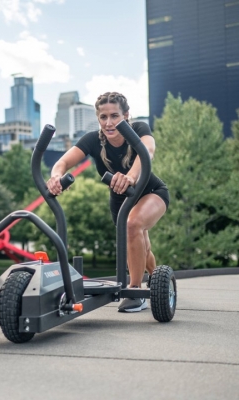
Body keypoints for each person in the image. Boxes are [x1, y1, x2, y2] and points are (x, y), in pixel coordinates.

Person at [47, 92, 169, 313]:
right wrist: (56, 176)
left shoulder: (139, 129)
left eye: (115, 116)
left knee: (133, 226)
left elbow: (147, 152)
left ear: (126, 115)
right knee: (142, 245)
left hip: (151, 191)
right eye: (103, 117)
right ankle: (157, 277)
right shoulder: (93, 140)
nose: (109, 122)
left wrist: (130, 176)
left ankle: (135, 291)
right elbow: (63, 162)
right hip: (120, 200)